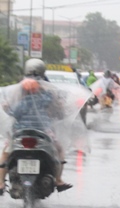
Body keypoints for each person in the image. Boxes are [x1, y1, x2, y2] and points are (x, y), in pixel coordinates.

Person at [0, 59, 72, 194]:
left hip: (20, 132)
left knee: (6, 152)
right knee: (59, 150)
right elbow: (57, 109)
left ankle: (0, 183)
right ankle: (58, 180)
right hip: (43, 131)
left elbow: (12, 112)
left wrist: (6, 108)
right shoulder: (47, 93)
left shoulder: (17, 91)